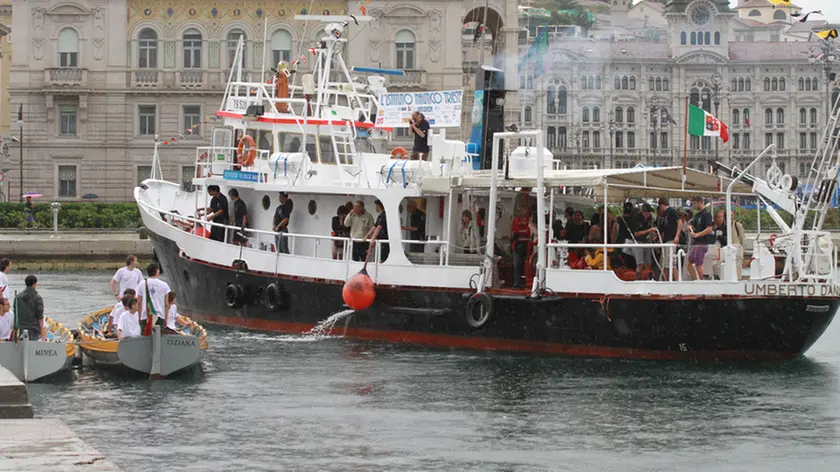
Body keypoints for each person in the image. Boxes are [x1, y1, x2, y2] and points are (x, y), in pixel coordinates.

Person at [136, 263, 172, 330]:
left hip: (145, 316)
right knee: (159, 338)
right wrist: (166, 319)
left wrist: (139, 317)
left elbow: (139, 302)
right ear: (157, 271)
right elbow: (166, 304)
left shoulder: (141, 284)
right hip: (160, 316)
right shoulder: (164, 285)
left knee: (145, 338)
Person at [688, 196, 715, 280]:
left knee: (698, 264)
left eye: (695, 204)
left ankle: (701, 282)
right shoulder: (697, 215)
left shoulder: (706, 214)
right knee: (690, 262)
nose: (694, 206)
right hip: (697, 242)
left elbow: (709, 228)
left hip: (702, 242)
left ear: (700, 202)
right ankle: (696, 280)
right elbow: (694, 226)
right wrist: (690, 228)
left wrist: (697, 234)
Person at [657, 197, 682, 280]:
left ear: (661, 205)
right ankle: (665, 281)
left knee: (671, 263)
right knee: (665, 263)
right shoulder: (665, 214)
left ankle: (678, 282)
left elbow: (680, 222)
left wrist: (677, 236)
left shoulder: (671, 211)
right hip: (666, 240)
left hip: (671, 240)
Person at [631, 203, 657, 279]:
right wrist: (648, 230)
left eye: (649, 212)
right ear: (643, 212)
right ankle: (639, 279)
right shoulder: (636, 219)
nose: (648, 214)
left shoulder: (651, 219)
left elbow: (653, 229)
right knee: (640, 264)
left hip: (647, 242)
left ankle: (648, 279)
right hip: (639, 242)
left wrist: (654, 234)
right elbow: (636, 233)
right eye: (646, 213)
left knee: (648, 263)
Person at [15, 275, 44, 341]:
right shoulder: (38, 298)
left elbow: (16, 313)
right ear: (34, 284)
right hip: (34, 328)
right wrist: (42, 331)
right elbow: (40, 317)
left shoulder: (18, 297)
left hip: (21, 327)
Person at [511, 206, 531, 288]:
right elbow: (514, 231)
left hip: (528, 245)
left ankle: (527, 281)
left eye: (522, 208)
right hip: (518, 244)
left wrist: (520, 232)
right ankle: (517, 282)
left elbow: (529, 231)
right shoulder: (516, 220)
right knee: (517, 264)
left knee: (528, 264)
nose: (521, 210)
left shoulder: (529, 220)